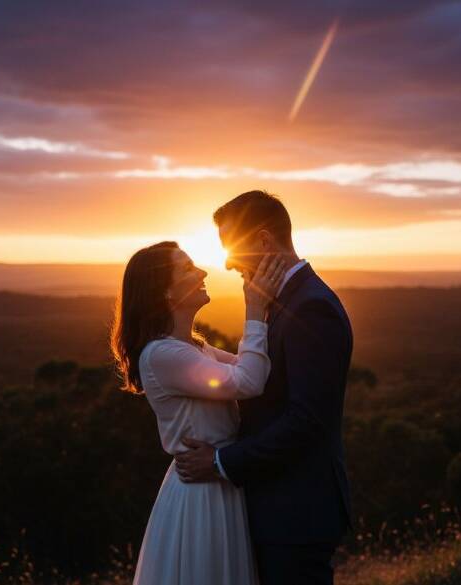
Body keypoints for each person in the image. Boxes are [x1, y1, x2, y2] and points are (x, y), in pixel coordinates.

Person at [175, 190, 354, 585]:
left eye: (232, 248)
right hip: (277, 505)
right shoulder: (278, 299)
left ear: (262, 241)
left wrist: (221, 462)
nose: (226, 262)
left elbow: (307, 421)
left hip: (297, 512)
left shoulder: (312, 307)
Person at [110, 240, 287, 585]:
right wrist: (254, 308)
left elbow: (254, 371)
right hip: (200, 495)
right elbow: (248, 381)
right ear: (164, 293)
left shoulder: (194, 348)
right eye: (188, 269)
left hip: (218, 481)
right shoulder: (162, 355)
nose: (203, 271)